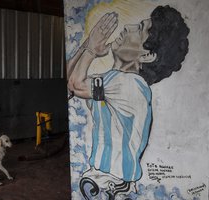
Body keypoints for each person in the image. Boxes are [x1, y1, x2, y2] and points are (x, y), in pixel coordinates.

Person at [67, 5, 189, 199]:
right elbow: (70, 81)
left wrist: (91, 48)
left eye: (140, 28)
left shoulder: (128, 84)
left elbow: (75, 84)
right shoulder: (115, 82)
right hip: (107, 182)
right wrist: (87, 46)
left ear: (148, 55)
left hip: (109, 183)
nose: (129, 26)